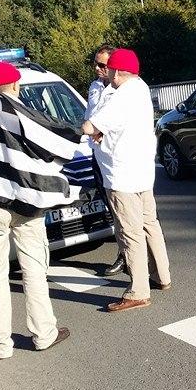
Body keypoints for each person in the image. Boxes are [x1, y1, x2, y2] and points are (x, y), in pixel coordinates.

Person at [0, 61, 69, 359]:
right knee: (34, 270)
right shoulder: (30, 117)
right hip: (27, 204)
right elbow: (51, 152)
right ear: (15, 86)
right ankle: (44, 333)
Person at [82, 49, 171, 312]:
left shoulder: (120, 96)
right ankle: (161, 275)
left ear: (118, 71)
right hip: (142, 170)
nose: (105, 72)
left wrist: (90, 129)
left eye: (108, 68)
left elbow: (90, 127)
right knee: (149, 224)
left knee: (129, 231)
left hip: (121, 174)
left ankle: (138, 291)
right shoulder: (141, 87)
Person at [86, 44, 128, 278]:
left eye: (102, 64)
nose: (98, 68)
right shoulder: (94, 87)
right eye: (96, 63)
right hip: (97, 154)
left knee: (124, 209)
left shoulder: (122, 90)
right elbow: (89, 117)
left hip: (116, 157)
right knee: (112, 208)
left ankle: (129, 255)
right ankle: (125, 252)